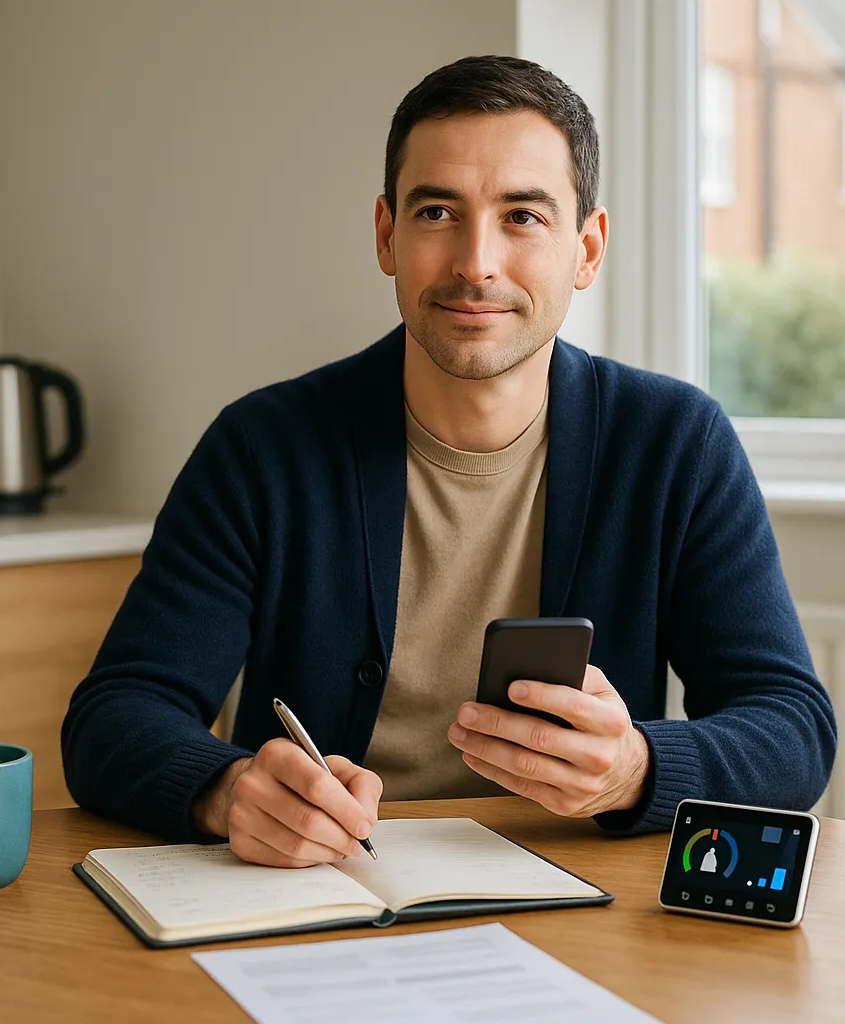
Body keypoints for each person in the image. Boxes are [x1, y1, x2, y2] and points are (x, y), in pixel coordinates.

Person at [61, 55, 837, 868]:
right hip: (318, 901)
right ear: (387, 235)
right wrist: (223, 790)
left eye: (523, 217)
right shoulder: (262, 448)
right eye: (437, 211)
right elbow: (117, 714)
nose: (476, 263)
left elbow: (791, 726)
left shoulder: (677, 443)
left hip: (583, 902)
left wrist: (637, 770)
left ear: (588, 248)